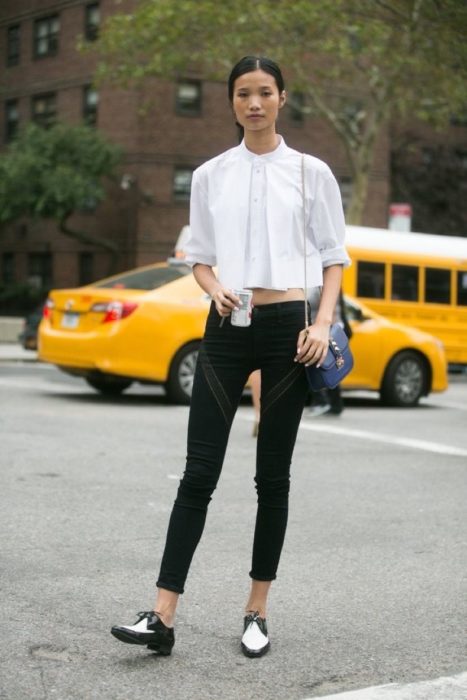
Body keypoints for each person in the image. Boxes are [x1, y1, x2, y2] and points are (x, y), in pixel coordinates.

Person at [111, 55, 350, 658]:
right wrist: (209, 284)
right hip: (225, 325)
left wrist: (322, 323)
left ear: (282, 98)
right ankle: (161, 616)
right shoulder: (211, 173)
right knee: (199, 471)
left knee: (272, 477)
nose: (254, 103)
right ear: (232, 102)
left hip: (289, 330)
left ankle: (256, 610)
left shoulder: (310, 171)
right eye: (243, 93)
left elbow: (333, 256)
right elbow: (199, 254)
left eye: (264, 92)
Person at [307, 288, 353, 416]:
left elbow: (332, 308)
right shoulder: (313, 283)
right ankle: (333, 404)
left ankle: (323, 402)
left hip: (326, 330)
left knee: (323, 366)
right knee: (327, 367)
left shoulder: (326, 281)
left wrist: (328, 332)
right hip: (317, 330)